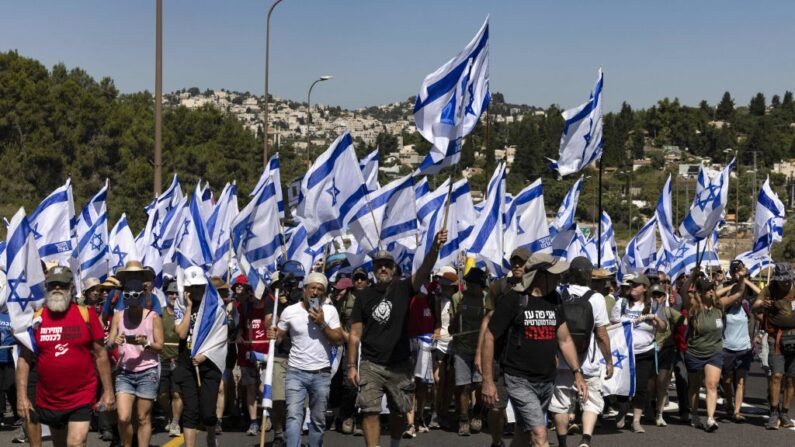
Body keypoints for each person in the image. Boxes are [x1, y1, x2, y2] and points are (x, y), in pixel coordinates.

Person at [347, 230, 447, 447]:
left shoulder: (403, 288)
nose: (383, 268)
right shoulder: (363, 296)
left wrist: (435, 248)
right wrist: (351, 366)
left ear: (393, 269)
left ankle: (394, 443)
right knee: (370, 411)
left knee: (400, 412)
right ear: (373, 270)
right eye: (378, 265)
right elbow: (355, 335)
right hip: (370, 364)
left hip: (400, 364)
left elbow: (424, 271)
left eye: (387, 265)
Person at [481, 253, 588, 447]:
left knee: (523, 435)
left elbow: (564, 339)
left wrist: (577, 373)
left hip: (546, 380)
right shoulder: (515, 299)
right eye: (554, 275)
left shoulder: (555, 299)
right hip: (519, 379)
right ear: (539, 275)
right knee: (540, 435)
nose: (559, 279)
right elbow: (489, 336)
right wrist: (488, 381)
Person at [16, 266, 115, 447]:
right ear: (46, 287)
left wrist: (108, 391)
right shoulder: (36, 319)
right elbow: (24, 359)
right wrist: (22, 397)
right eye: (52, 284)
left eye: (62, 285)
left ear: (71, 287)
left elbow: (101, 355)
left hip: (82, 396)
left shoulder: (87, 315)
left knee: (76, 443)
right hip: (49, 398)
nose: (57, 289)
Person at [268, 272, 343, 447]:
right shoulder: (290, 311)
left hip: (321, 373)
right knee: (294, 416)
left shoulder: (330, 311)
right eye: (312, 288)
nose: (315, 292)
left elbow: (339, 339)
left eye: (320, 289)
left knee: (318, 419)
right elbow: (279, 338)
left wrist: (322, 323)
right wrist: (274, 334)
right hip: (295, 372)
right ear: (305, 290)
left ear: (324, 293)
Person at [550, 257, 613, 447]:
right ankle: (585, 439)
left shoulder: (558, 294)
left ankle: (562, 443)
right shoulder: (596, 298)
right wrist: (608, 361)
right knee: (591, 400)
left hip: (560, 359)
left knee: (560, 402)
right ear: (588, 276)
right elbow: (601, 335)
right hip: (587, 361)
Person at [475, 247, 530, 447]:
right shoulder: (499, 287)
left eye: (521, 262)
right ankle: (497, 441)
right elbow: (486, 322)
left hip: (523, 357)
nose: (517, 265)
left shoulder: (535, 289)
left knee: (523, 408)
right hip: (498, 355)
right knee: (496, 407)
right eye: (514, 261)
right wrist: (479, 355)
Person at [107, 278, 164, 447]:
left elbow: (160, 346)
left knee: (142, 417)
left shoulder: (153, 317)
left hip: (147, 371)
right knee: (123, 417)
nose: (132, 306)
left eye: (135, 302)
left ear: (141, 298)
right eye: (129, 302)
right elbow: (108, 345)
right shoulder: (118, 317)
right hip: (125, 372)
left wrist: (145, 343)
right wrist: (114, 341)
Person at [173, 266, 227, 447]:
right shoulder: (180, 304)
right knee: (190, 410)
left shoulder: (216, 306)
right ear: (186, 289)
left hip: (209, 364)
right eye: (192, 287)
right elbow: (181, 333)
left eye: (199, 286)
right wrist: (188, 308)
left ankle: (211, 437)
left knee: (207, 411)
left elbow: (221, 336)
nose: (196, 290)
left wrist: (205, 354)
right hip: (187, 364)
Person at [609, 274, 667, 433]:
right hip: (625, 352)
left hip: (644, 352)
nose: (632, 287)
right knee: (622, 386)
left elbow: (663, 328)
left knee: (641, 387)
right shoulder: (621, 303)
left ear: (645, 288)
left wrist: (655, 318)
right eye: (631, 284)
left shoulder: (654, 306)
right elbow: (612, 326)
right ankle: (622, 409)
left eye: (636, 285)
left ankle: (636, 421)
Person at [265, 261, 306, 447]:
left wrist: (296, 303)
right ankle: (279, 432)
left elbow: (314, 317)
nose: (295, 284)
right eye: (291, 280)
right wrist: (282, 308)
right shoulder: (273, 299)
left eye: (298, 280)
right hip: (281, 356)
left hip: (302, 356)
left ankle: (294, 435)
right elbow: (269, 326)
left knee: (300, 402)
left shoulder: (309, 297)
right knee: (279, 398)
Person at [752, 262, 795, 429]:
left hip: (794, 336)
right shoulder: (770, 288)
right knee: (777, 375)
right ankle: (773, 413)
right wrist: (764, 305)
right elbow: (755, 306)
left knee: (791, 379)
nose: (784, 283)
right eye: (781, 280)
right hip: (776, 338)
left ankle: (785, 413)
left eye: (786, 280)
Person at [719, 260, 759, 422]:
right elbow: (715, 294)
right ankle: (729, 402)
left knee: (741, 381)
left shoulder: (746, 304)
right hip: (727, 347)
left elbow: (761, 294)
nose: (738, 297)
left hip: (744, 348)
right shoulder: (725, 306)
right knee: (727, 380)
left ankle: (736, 411)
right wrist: (733, 284)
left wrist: (745, 279)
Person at [450, 268, 487, 436]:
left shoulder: (487, 299)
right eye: (467, 283)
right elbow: (451, 329)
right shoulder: (458, 298)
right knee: (464, 386)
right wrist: (457, 315)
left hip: (481, 350)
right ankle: (463, 419)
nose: (469, 287)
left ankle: (477, 414)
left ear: (481, 285)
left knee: (479, 384)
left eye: (473, 284)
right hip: (462, 349)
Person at [404, 282, 438, 437]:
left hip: (426, 345)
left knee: (423, 385)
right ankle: (409, 423)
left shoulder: (431, 298)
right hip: (410, 344)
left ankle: (420, 417)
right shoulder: (406, 298)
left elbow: (438, 322)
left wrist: (436, 332)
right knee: (410, 383)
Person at [237, 277, 270, 436]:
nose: (252, 295)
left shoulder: (270, 308)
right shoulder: (245, 308)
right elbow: (241, 328)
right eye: (250, 292)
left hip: (265, 355)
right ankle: (253, 422)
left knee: (263, 387)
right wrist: (239, 335)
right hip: (247, 354)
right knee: (250, 387)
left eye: (254, 292)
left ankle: (266, 415)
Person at [649, 283, 684, 427]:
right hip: (649, 350)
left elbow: (684, 321)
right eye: (654, 295)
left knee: (662, 383)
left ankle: (659, 414)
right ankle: (650, 408)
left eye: (659, 295)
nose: (656, 298)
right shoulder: (645, 310)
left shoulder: (669, 311)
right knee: (650, 384)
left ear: (664, 297)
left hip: (666, 350)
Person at [333, 271, 362, 435]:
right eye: (336, 290)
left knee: (366, 383)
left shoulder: (367, 299)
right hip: (348, 347)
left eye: (341, 290)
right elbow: (338, 326)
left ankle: (360, 418)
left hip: (368, 347)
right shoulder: (339, 304)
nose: (338, 293)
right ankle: (346, 415)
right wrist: (350, 338)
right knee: (349, 383)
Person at [431, 269, 458, 430]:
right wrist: (435, 329)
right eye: (442, 284)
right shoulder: (436, 299)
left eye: (447, 285)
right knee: (438, 381)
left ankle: (445, 412)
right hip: (440, 342)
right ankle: (435, 412)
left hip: (455, 343)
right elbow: (436, 321)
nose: (444, 287)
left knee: (450, 382)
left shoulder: (459, 300)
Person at [158, 281, 184, 437]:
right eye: (170, 293)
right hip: (161, 359)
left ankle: (175, 422)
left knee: (176, 393)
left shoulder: (183, 314)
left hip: (179, 359)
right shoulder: (159, 313)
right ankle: (170, 414)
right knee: (161, 395)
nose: (173, 296)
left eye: (176, 293)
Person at [0, 304, 17, 427]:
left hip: (10, 358)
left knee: (10, 386)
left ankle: (17, 413)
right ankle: (1, 415)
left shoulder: (14, 317)